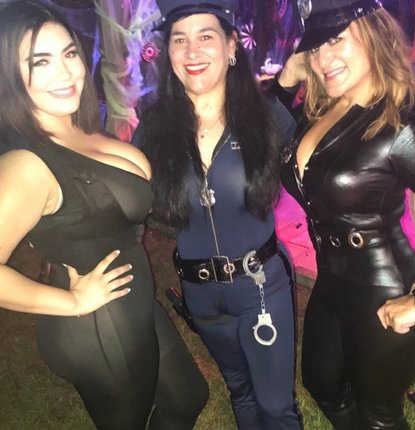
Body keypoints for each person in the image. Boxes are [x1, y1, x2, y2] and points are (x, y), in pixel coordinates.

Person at [0, 1, 208, 429]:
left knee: (188, 396)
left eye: (69, 54)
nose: (65, 73)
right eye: (40, 62)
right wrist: (73, 300)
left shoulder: (76, 131)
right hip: (96, 326)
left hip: (131, 304)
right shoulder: (25, 164)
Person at [273, 0, 415, 428]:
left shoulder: (402, 124)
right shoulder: (323, 107)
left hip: (384, 288)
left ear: (373, 33)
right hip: (332, 279)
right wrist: (285, 80)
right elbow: (261, 129)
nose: (322, 60)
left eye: (336, 40)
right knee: (321, 383)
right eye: (315, 47)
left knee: (379, 414)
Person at [135, 1, 303, 429]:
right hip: (200, 293)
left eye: (205, 36)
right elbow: (127, 203)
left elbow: (319, 170)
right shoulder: (153, 129)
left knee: (276, 406)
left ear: (231, 46)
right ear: (168, 52)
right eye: (180, 39)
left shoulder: (267, 117)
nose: (192, 51)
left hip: (260, 286)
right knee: (240, 391)